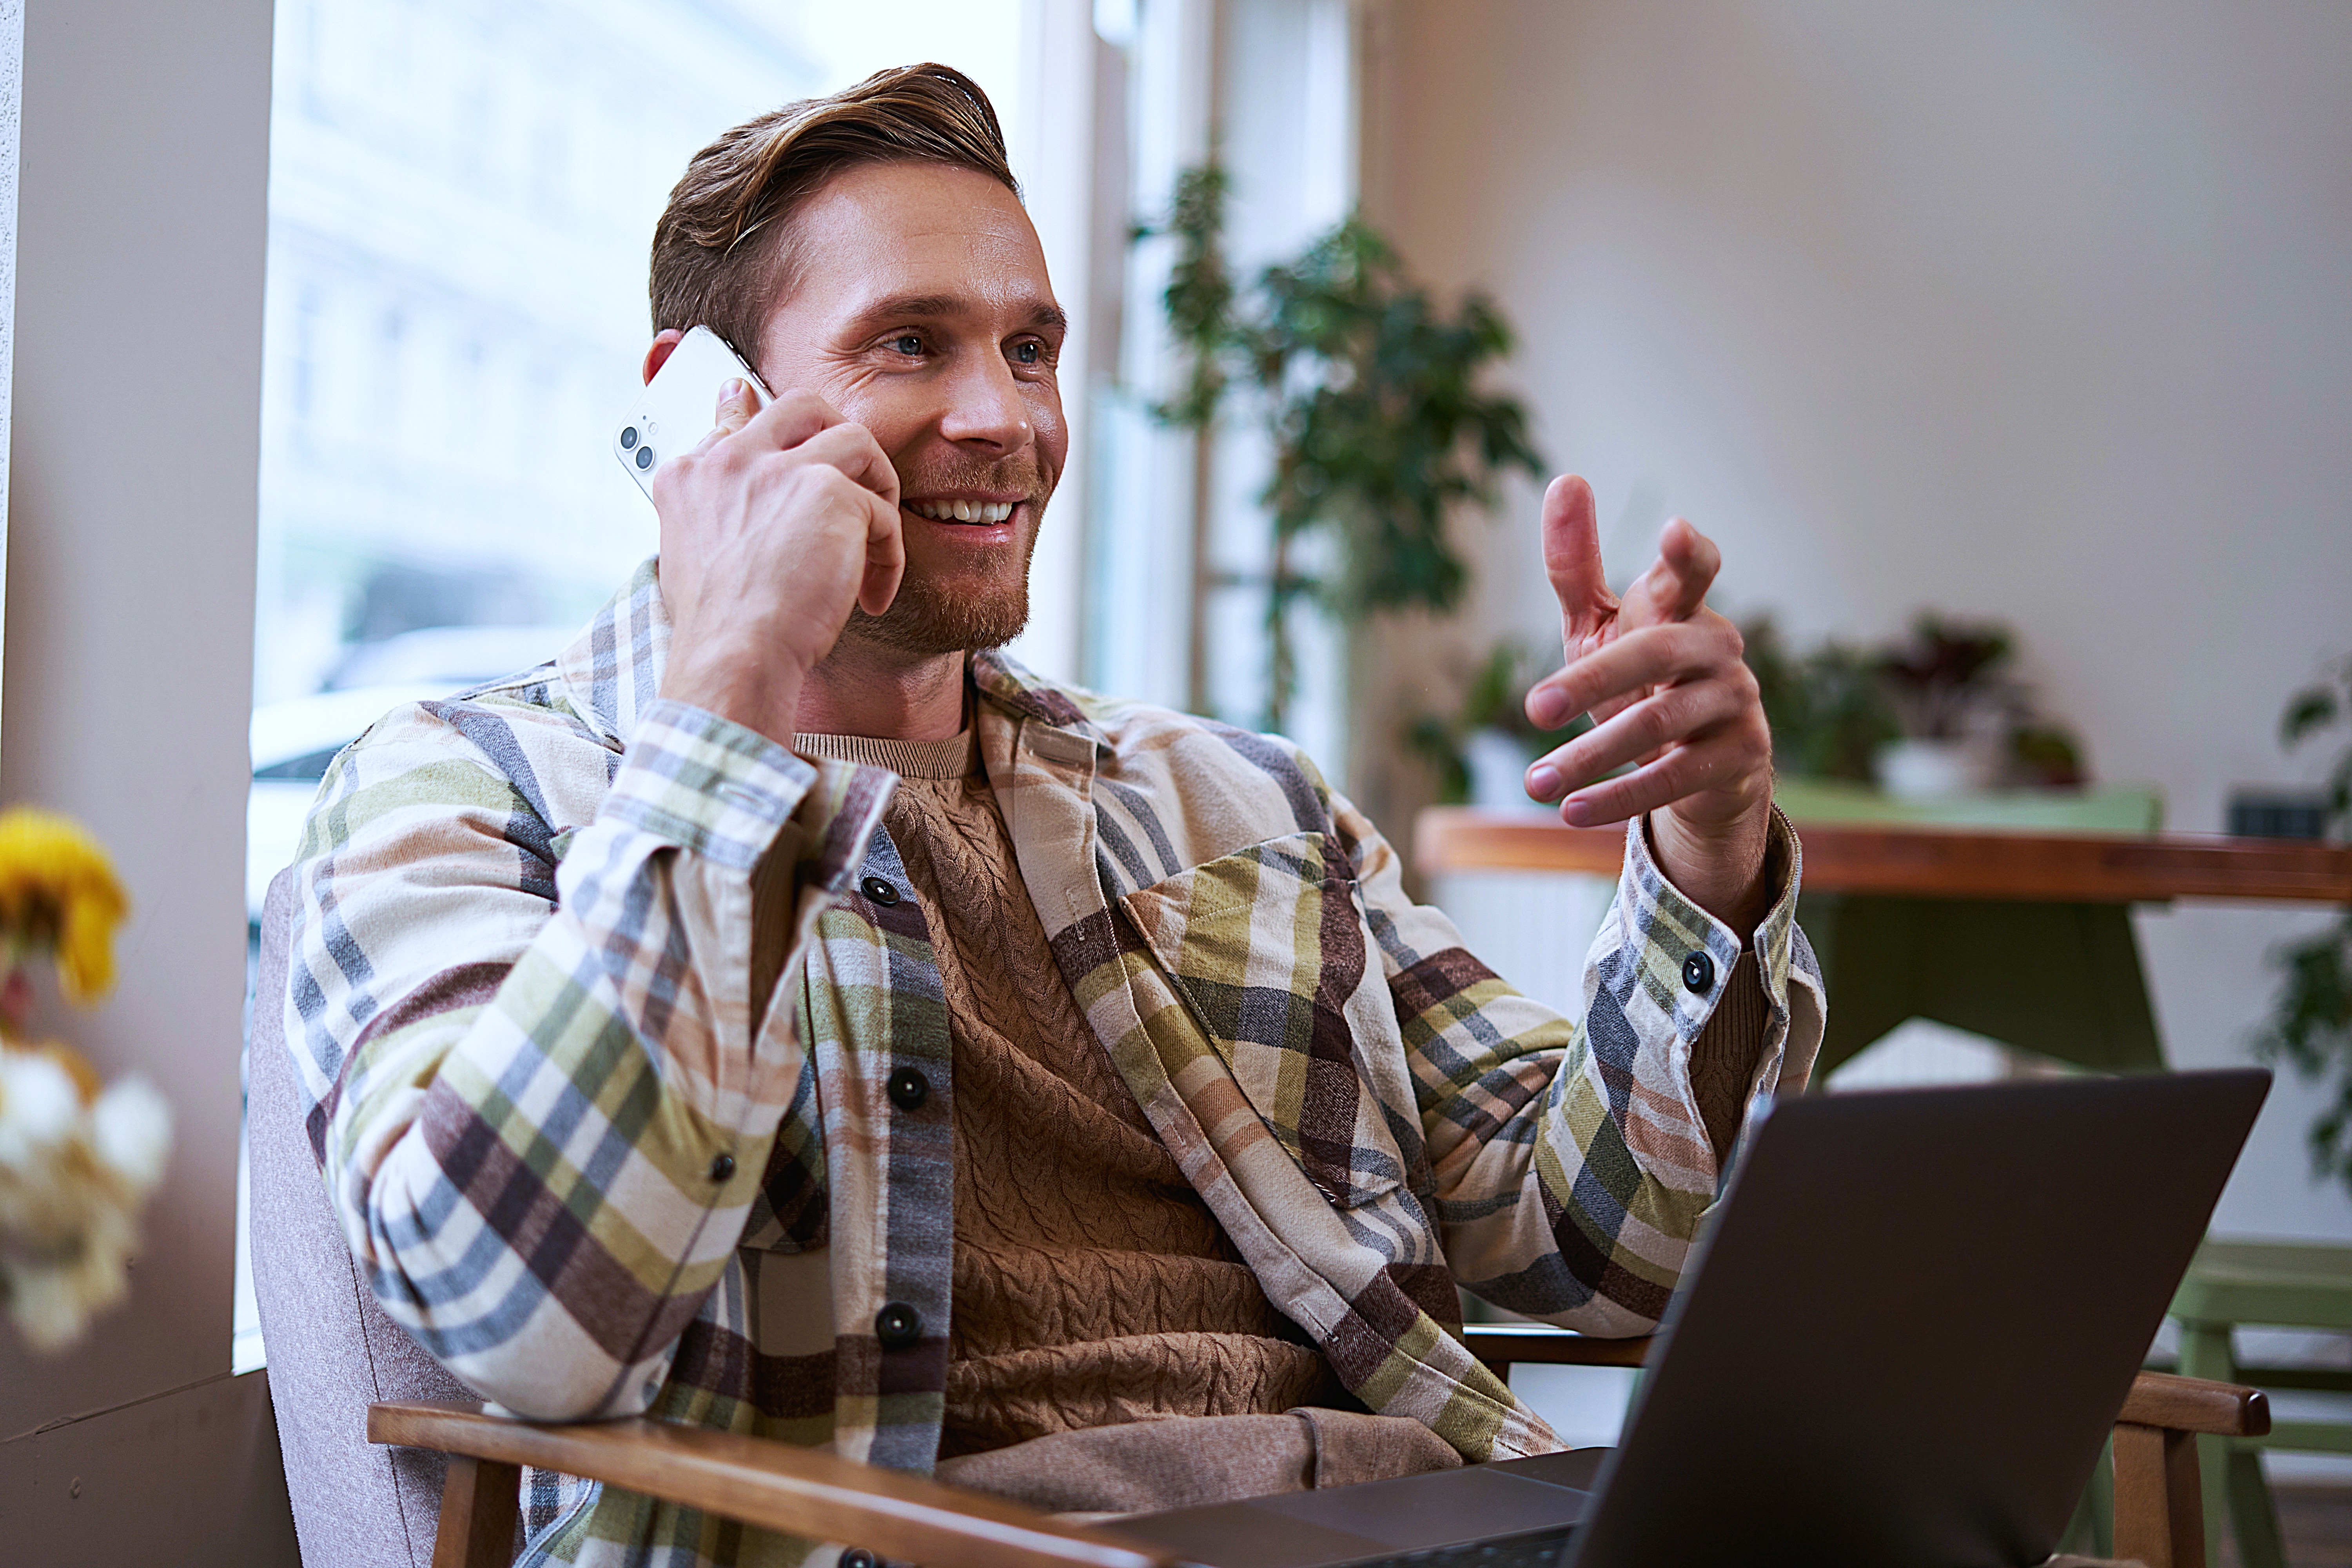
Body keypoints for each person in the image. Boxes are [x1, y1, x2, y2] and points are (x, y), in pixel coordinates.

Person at [280, 63, 1822, 1568]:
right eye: (910, 343)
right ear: (705, 412)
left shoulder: (1237, 802)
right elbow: (525, 1320)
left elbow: (1621, 1242)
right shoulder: (469, 788)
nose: (1002, 416)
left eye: (1031, 348)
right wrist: (733, 673)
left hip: (1413, 1518)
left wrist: (1706, 850)